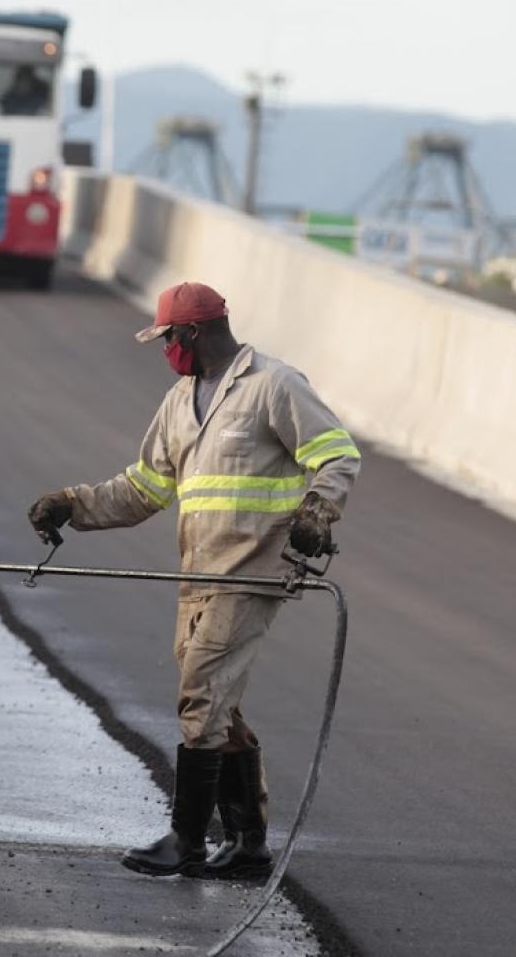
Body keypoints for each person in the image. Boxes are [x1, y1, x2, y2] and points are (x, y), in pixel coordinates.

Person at [27, 282, 360, 879]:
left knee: (200, 696)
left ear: (194, 333)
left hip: (252, 572)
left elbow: (337, 455)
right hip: (197, 574)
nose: (165, 350)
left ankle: (186, 840)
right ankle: (249, 844)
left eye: (167, 338)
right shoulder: (181, 402)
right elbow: (144, 489)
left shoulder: (273, 386)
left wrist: (317, 511)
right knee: (218, 708)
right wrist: (70, 506)